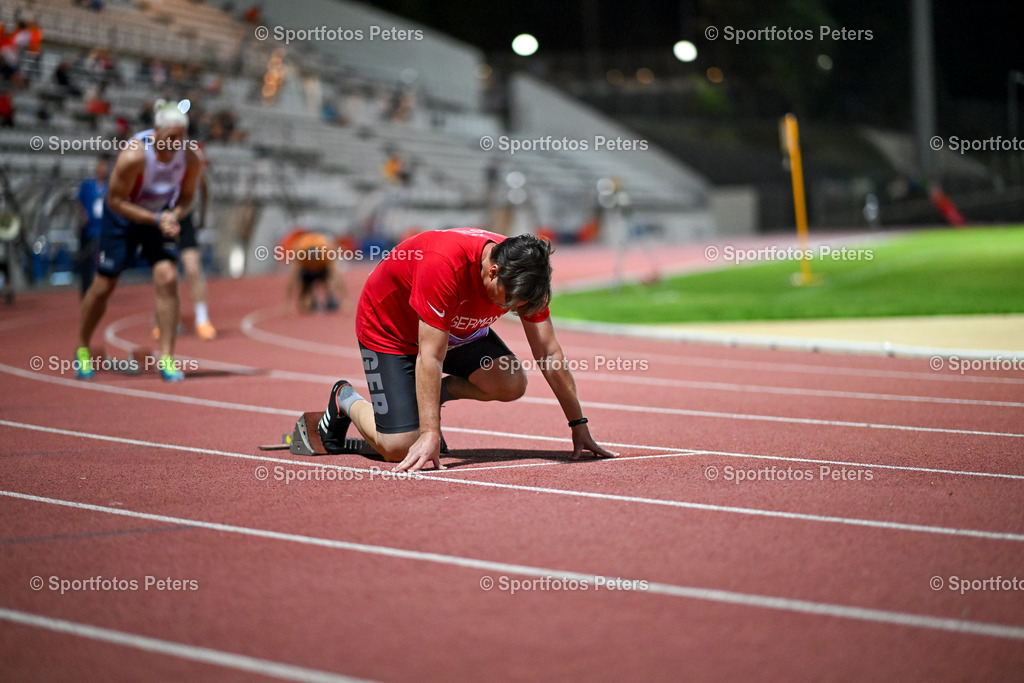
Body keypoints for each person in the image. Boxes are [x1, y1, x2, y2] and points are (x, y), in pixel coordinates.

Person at [317, 227, 617, 472]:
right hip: (390, 331)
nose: (513, 308)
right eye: (508, 301)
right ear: (492, 271)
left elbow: (549, 353)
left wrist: (579, 425)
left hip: (459, 329)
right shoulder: (443, 264)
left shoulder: (527, 276)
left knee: (511, 382)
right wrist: (429, 433)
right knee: (398, 448)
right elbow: (430, 356)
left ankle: (427, 401)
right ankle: (344, 398)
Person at [75, 100, 202, 382]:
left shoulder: (190, 158)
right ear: (156, 132)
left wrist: (173, 216)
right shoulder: (134, 156)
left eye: (182, 138)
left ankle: (167, 357)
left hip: (158, 217)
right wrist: (158, 219)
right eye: (171, 138)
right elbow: (115, 200)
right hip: (123, 218)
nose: (176, 145)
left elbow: (187, 198)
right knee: (104, 284)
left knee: (168, 278)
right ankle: (83, 346)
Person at [284, 230, 346, 313]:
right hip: (306, 270)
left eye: (315, 260)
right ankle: (310, 298)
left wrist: (345, 299)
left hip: (323, 267)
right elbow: (293, 277)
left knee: (330, 297)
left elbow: (336, 275)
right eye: (311, 260)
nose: (313, 263)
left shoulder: (327, 251)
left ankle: (330, 296)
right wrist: (288, 303)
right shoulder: (300, 251)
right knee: (305, 306)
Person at [74, 154, 110, 298]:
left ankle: (100, 289)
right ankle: (86, 291)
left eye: (105, 166)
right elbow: (78, 203)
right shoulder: (87, 185)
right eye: (101, 165)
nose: (103, 169)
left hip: (102, 232)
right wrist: (83, 216)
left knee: (102, 262)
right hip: (88, 232)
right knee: (86, 263)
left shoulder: (108, 188)